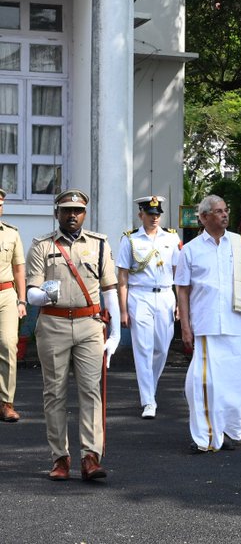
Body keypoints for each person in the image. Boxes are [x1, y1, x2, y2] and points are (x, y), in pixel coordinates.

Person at [25, 189, 121, 481]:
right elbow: (30, 291)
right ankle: (60, 458)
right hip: (53, 324)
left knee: (90, 391)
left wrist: (116, 331)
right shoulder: (41, 246)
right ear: (57, 213)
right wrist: (43, 295)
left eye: (77, 211)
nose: (71, 215)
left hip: (89, 324)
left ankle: (91, 456)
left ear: (84, 214)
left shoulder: (100, 244)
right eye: (66, 210)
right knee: (54, 393)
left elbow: (109, 289)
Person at [175, 195, 241, 453]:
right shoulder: (190, 250)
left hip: (235, 323)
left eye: (226, 210)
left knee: (235, 382)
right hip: (205, 325)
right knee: (203, 384)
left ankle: (232, 430)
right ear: (203, 217)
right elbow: (182, 290)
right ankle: (204, 437)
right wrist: (185, 326)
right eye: (218, 211)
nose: (225, 215)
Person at [115, 195, 181, 419]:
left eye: (157, 214)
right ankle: (148, 401)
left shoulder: (171, 238)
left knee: (162, 348)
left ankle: (149, 390)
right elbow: (122, 276)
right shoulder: (130, 240)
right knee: (143, 349)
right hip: (139, 295)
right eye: (150, 214)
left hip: (165, 295)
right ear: (140, 214)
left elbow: (179, 273)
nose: (155, 218)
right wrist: (123, 310)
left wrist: (180, 303)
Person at [0, 188, 27, 422]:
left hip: (6, 294)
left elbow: (19, 269)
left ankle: (6, 402)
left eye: (0, 203)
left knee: (8, 344)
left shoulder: (11, 234)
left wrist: (22, 299)